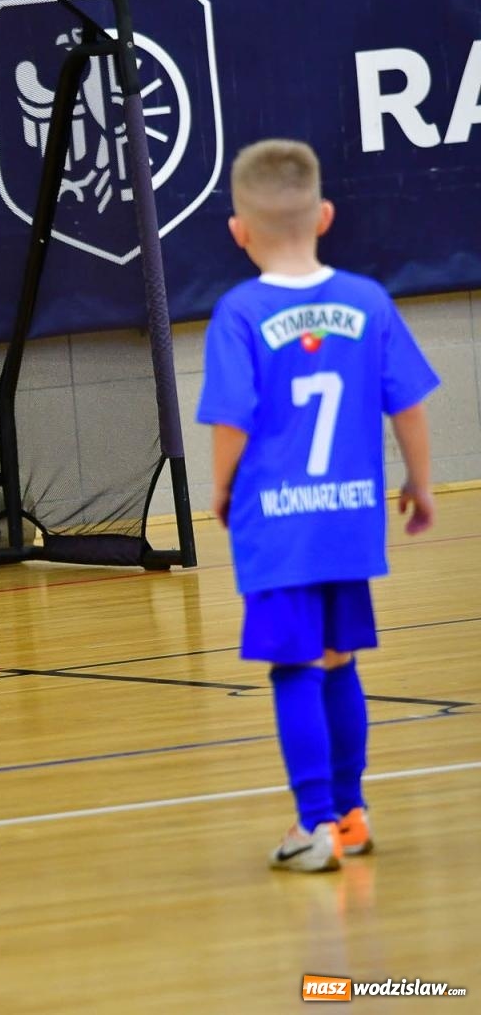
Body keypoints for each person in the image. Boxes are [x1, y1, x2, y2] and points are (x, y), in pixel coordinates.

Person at [196, 139, 439, 872]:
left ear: (238, 231)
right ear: (325, 215)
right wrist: (420, 485)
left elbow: (232, 420)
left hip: (278, 524)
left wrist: (218, 488)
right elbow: (411, 407)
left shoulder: (239, 312)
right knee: (340, 661)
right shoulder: (367, 300)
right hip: (347, 518)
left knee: (294, 668)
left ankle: (315, 824)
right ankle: (354, 814)